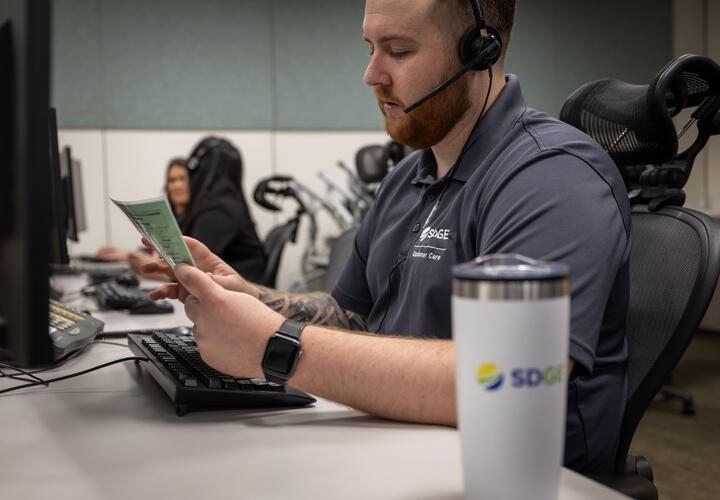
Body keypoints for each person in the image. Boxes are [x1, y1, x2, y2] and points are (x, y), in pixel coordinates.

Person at [144, 0, 630, 474]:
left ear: (479, 51)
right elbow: (351, 316)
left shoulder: (552, 176)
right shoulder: (407, 178)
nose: (372, 74)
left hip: (509, 479)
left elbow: (503, 377)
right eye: (370, 48)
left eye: (398, 50)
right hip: (397, 447)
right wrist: (246, 297)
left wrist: (275, 345)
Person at [180, 137, 267, 283]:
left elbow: (191, 269)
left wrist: (146, 265)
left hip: (235, 298)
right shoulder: (228, 205)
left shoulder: (218, 212)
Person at [96, 158, 191, 274]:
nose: (177, 185)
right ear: (167, 186)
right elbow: (153, 251)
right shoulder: (168, 219)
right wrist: (124, 255)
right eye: (172, 180)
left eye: (182, 179)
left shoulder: (197, 221)